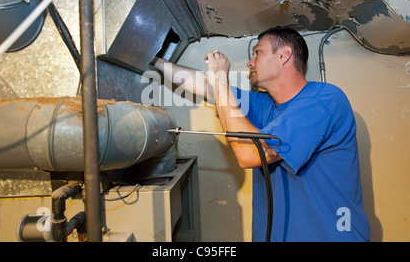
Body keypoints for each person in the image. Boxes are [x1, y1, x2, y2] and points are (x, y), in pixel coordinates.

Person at [151, 26, 370, 242]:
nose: (250, 62)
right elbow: (204, 85)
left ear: (284, 55)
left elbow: (250, 155)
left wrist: (221, 80)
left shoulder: (324, 101)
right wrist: (154, 59)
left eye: (258, 52)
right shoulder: (264, 104)